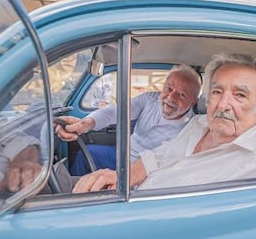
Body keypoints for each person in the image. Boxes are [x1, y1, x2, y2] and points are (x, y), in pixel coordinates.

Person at [72, 53, 256, 193]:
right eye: (217, 91)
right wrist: (121, 177)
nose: (223, 104)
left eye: (240, 95)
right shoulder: (199, 123)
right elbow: (160, 156)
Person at [56, 64, 201, 175]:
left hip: (147, 172)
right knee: (87, 154)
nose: (171, 97)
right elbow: (115, 112)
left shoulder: (192, 128)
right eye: (169, 89)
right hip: (123, 155)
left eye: (181, 95)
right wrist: (85, 123)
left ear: (193, 101)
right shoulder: (150, 99)